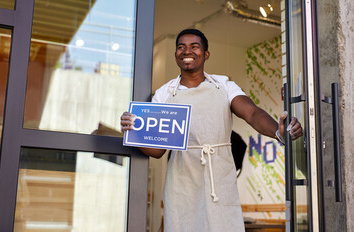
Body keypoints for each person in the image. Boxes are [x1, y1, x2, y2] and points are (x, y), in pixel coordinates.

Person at [121, 29, 303, 232]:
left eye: (194, 46)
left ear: (206, 54)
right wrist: (134, 133)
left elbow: (251, 113)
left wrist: (278, 132)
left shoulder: (224, 85)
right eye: (181, 47)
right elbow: (157, 151)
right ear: (175, 55)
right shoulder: (164, 93)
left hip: (219, 178)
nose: (186, 51)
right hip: (181, 182)